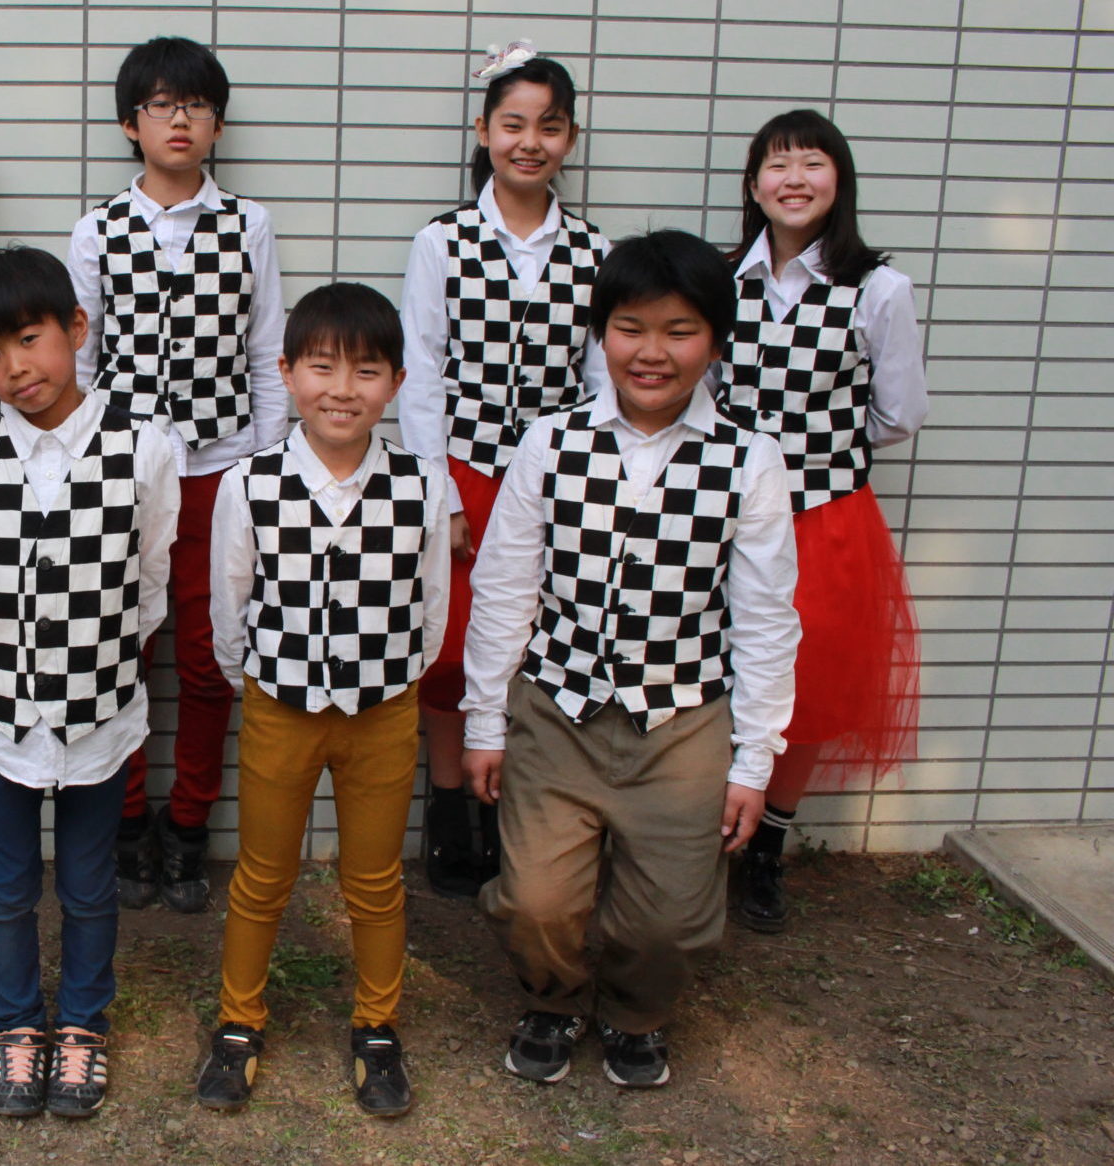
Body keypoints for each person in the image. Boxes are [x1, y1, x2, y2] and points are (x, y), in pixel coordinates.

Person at [461, 230, 799, 1090]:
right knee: (534, 902)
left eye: (680, 331)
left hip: (683, 720)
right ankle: (551, 1000)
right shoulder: (551, 442)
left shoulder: (750, 459)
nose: (652, 352)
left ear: (715, 342)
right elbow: (504, 588)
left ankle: (636, 1013)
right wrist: (484, 722)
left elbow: (765, 619)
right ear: (601, 333)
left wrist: (754, 760)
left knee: (671, 924)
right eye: (630, 327)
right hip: (557, 708)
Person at [194, 283, 450, 1118]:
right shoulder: (250, 482)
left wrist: (393, 678)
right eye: (322, 367)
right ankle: (239, 1022)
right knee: (261, 875)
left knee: (374, 879)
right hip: (280, 706)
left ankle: (377, 1027)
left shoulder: (422, 484)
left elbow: (433, 608)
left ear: (398, 382)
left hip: (384, 712)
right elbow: (230, 602)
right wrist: (257, 678)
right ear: (286, 372)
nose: (343, 389)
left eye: (367, 371)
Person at [0, 245, 179, 1118]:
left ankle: (81, 1025)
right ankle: (16, 1026)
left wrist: (94, 657)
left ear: (76, 328)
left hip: (99, 712)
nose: (15, 367)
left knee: (87, 881)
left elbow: (151, 579)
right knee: (6, 885)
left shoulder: (145, 448)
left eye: (29, 339)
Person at [69, 35, 288, 913]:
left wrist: (265, 465)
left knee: (206, 657)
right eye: (161, 105)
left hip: (221, 468)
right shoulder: (97, 230)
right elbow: (81, 364)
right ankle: (125, 824)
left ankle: (188, 826)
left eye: (196, 105)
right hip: (124, 472)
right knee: (122, 650)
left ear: (217, 124)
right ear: (132, 124)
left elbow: (268, 352)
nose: (180, 120)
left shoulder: (248, 225)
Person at [397, 43, 612, 899]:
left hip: (557, 480)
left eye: (549, 127)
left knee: (537, 640)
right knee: (452, 650)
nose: (530, 142)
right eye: (513, 124)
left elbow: (600, 381)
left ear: (570, 139)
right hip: (464, 471)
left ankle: (519, 807)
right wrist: (439, 491)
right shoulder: (443, 241)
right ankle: (451, 804)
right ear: (484, 131)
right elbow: (421, 371)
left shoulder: (594, 251)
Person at [717, 109, 927, 934]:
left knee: (807, 683)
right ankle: (701, 833)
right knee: (716, 667)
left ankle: (768, 847)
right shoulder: (722, 277)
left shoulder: (878, 288)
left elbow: (898, 413)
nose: (794, 179)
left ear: (839, 180)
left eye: (812, 163)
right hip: (725, 514)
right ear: (753, 183)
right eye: (777, 164)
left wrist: (819, 447)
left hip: (825, 516)